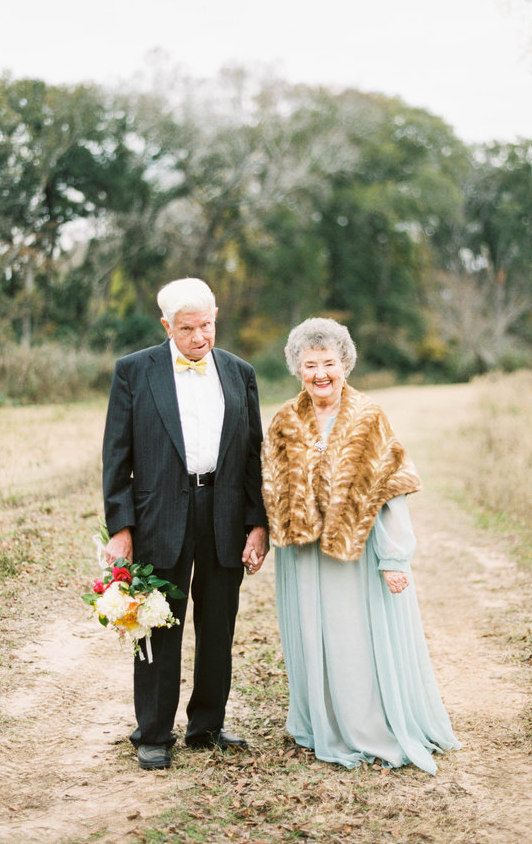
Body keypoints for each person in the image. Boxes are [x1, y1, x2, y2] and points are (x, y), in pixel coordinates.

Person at [261, 317, 459, 774]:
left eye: (329, 362)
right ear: (298, 368)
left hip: (357, 553)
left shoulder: (369, 416)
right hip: (303, 556)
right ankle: (323, 724)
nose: (320, 373)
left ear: (345, 363)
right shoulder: (285, 420)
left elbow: (390, 493)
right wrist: (263, 538)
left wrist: (393, 559)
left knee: (354, 638)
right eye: (310, 364)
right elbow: (269, 486)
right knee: (313, 635)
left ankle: (366, 725)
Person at [102, 277, 269, 770]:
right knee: (157, 625)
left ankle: (207, 726)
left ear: (216, 315)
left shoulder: (241, 373)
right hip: (159, 517)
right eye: (187, 328)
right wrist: (121, 528)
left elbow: (253, 456)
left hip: (224, 513)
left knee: (218, 625)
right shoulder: (134, 371)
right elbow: (117, 455)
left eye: (207, 325)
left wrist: (258, 525)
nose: (200, 337)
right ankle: (153, 732)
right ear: (166, 326)